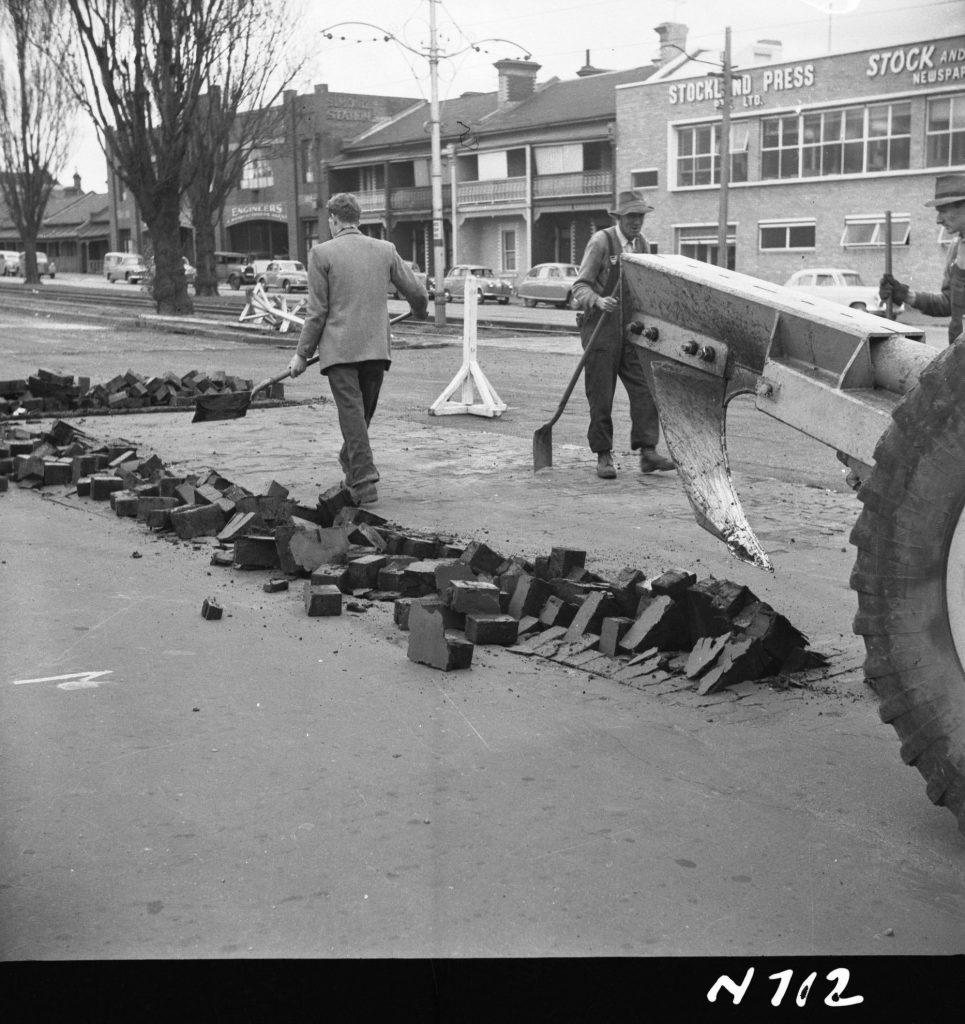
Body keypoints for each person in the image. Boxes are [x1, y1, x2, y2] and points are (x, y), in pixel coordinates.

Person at [289, 192, 428, 506]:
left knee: (353, 415)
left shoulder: (321, 254)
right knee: (361, 415)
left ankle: (363, 480)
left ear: (333, 220)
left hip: (339, 351)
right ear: (358, 219)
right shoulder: (385, 250)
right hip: (376, 349)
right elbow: (417, 293)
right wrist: (419, 309)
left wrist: (301, 353)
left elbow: (317, 312)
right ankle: (353, 466)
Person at [571, 189, 675, 479]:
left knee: (645, 389)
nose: (636, 222)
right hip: (600, 330)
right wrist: (599, 300)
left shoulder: (642, 244)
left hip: (630, 331)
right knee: (601, 395)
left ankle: (647, 452)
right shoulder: (601, 242)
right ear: (619, 217)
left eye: (640, 216)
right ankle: (603, 455)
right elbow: (579, 287)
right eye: (631, 216)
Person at [880, 172, 965, 346]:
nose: (938, 220)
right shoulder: (957, 248)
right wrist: (904, 294)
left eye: (943, 210)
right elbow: (950, 304)